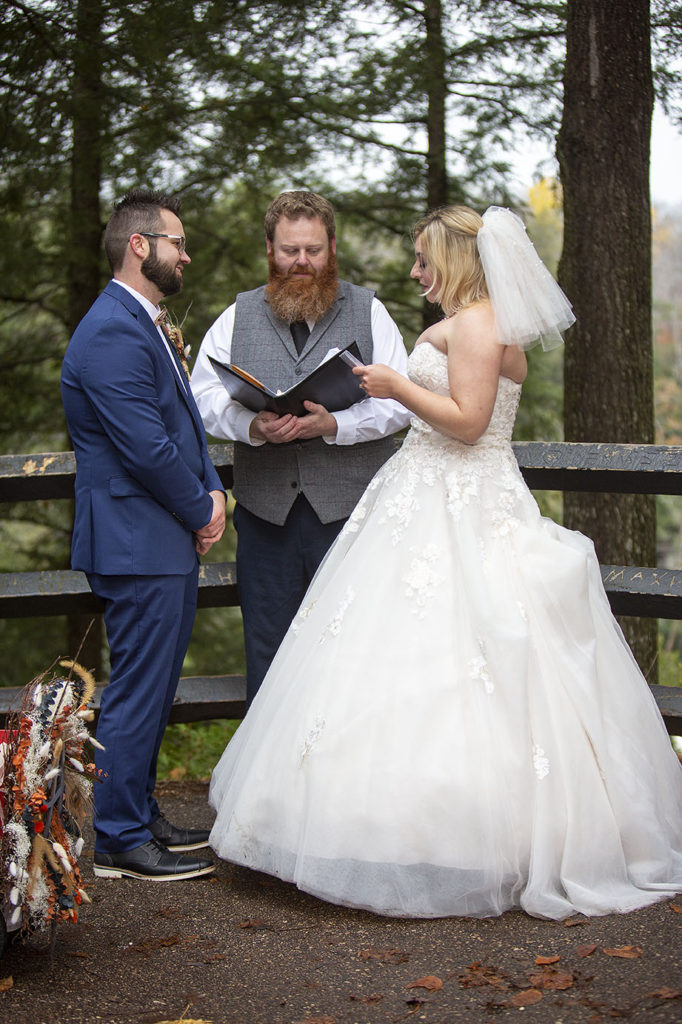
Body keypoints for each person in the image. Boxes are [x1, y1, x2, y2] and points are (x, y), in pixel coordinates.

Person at [207, 205, 682, 920]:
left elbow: (468, 423)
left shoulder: (482, 325)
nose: (415, 272)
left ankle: (467, 837)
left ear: (456, 259)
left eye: (424, 260)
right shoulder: (469, 322)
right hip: (416, 496)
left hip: (463, 498)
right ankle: (365, 822)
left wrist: (397, 388)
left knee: (469, 658)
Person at [61, 189, 226, 881]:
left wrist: (214, 486)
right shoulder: (109, 330)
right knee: (136, 686)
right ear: (140, 245)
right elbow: (145, 447)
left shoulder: (142, 322)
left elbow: (183, 424)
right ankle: (119, 836)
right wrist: (202, 509)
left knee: (155, 686)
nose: (185, 254)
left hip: (159, 535)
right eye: (176, 243)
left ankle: (140, 810)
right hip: (136, 536)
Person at [191, 191, 411, 706]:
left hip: (353, 517)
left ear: (332, 248)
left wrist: (335, 424)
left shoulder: (370, 311)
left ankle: (344, 780)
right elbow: (200, 398)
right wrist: (251, 425)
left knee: (353, 649)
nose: (302, 262)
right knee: (268, 653)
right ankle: (271, 784)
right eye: (290, 250)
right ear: (270, 249)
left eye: (313, 250)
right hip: (267, 521)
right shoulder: (235, 317)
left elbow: (402, 401)